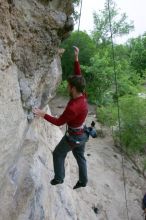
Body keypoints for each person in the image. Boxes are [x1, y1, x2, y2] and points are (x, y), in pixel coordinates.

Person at [33, 47, 88, 189]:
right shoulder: (83, 95)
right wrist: (76, 58)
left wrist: (43, 114)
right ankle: (83, 180)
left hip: (73, 137)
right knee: (80, 157)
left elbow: (58, 122)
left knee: (58, 154)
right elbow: (79, 77)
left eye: (69, 86)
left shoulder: (73, 107)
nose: (67, 87)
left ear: (73, 89)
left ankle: (59, 178)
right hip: (82, 134)